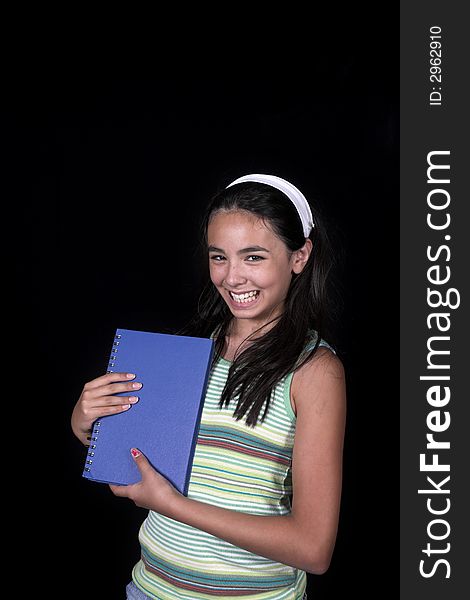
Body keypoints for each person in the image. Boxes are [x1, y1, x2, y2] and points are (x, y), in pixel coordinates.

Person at [71, 174, 347, 600]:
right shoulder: (186, 351)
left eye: (253, 257)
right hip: (150, 590)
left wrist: (170, 505)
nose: (233, 278)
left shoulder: (314, 371)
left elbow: (312, 548)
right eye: (219, 257)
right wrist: (85, 422)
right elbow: (129, 455)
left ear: (300, 256)